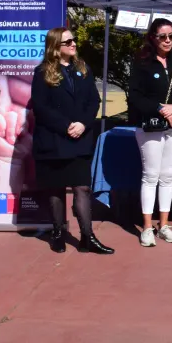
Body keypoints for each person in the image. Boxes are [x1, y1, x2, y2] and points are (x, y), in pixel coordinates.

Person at [30, 28, 112, 255]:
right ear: (56, 48)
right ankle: (57, 232)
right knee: (56, 189)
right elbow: (41, 107)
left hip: (80, 139)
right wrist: (65, 126)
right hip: (54, 140)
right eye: (68, 42)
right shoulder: (42, 72)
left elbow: (93, 101)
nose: (74, 44)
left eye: (74, 40)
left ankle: (88, 236)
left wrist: (83, 124)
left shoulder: (83, 69)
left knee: (82, 188)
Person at [128, 18, 172, 247]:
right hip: (150, 126)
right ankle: (147, 227)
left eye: (171, 36)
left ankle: (164, 225)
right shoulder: (142, 63)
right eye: (163, 36)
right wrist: (162, 110)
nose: (168, 40)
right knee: (150, 175)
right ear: (153, 38)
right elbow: (136, 96)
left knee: (168, 176)